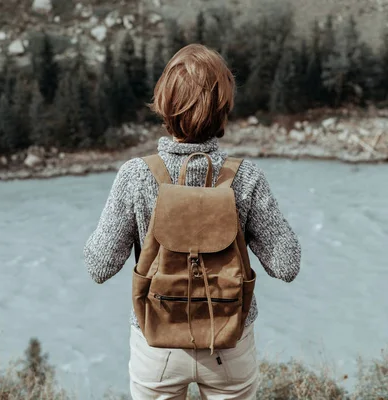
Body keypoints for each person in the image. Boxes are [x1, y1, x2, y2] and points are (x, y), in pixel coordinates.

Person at [83, 44, 301, 399]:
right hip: (228, 343)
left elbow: (99, 266)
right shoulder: (247, 178)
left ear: (164, 103)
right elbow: (287, 264)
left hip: (157, 342)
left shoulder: (137, 176)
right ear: (224, 107)